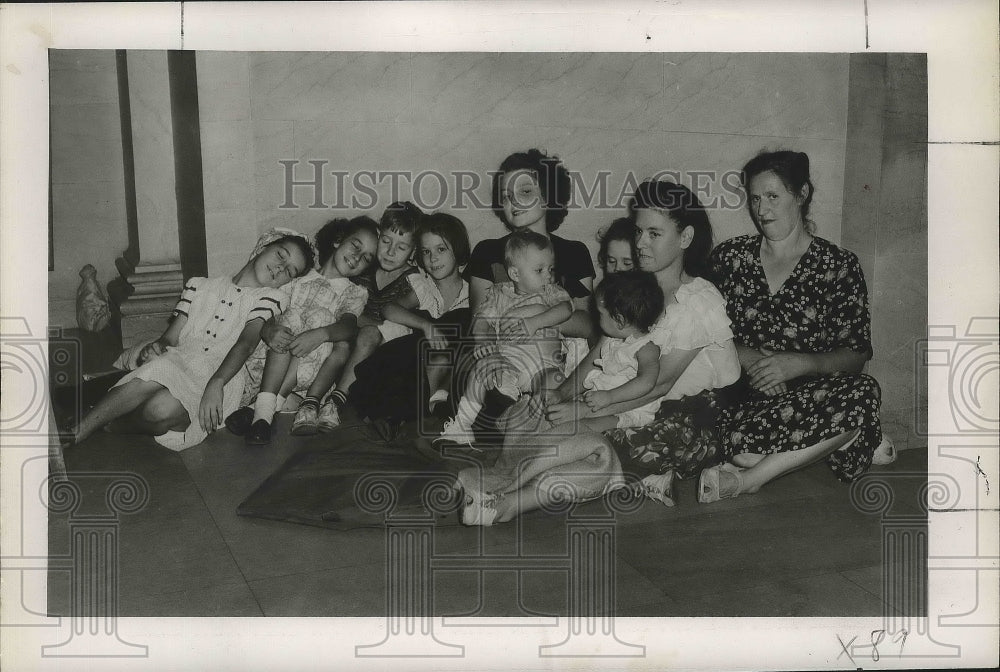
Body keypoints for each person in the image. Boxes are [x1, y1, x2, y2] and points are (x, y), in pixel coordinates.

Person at [457, 180, 741, 525]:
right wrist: (559, 395)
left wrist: (579, 410)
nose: (640, 243)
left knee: (599, 449)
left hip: (690, 411)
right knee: (538, 411)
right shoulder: (635, 285)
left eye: (654, 234)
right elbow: (599, 351)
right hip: (625, 398)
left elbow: (659, 385)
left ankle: (511, 502)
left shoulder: (699, 300)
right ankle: (502, 479)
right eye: (638, 232)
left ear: (685, 238)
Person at [702, 150, 881, 501]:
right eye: (754, 198)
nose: (761, 209)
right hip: (747, 397)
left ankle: (749, 480)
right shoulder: (730, 257)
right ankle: (834, 443)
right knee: (733, 443)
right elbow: (700, 332)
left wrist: (800, 363)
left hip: (815, 397)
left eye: (773, 196)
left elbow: (856, 354)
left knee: (862, 391)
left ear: (801, 195)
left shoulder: (838, 264)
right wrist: (751, 358)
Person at [63, 231, 312, 450]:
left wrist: (216, 384)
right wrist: (158, 346)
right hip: (180, 359)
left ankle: (111, 425)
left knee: (159, 411)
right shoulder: (199, 286)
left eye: (290, 271)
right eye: (281, 256)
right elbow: (170, 337)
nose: (281, 269)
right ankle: (78, 431)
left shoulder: (271, 297)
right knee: (159, 367)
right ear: (264, 246)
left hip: (221, 374)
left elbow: (245, 344)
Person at [226, 216, 378, 443]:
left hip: (309, 370)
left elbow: (347, 326)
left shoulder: (352, 293)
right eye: (355, 246)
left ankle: (262, 412)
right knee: (291, 316)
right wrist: (269, 330)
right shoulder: (297, 275)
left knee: (322, 318)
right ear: (338, 240)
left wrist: (321, 334)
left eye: (367, 258)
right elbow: (267, 308)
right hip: (269, 360)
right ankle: (264, 406)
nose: (357, 258)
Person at [439, 230, 573, 445]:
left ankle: (543, 430)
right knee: (483, 367)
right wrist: (483, 343)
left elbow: (566, 309)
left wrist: (535, 322)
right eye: (540, 270)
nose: (548, 275)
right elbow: (481, 320)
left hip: (545, 366)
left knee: (556, 385)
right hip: (510, 363)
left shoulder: (551, 292)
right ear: (515, 274)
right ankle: (462, 425)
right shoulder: (499, 293)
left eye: (551, 269)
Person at [349, 212, 472, 423]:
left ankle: (417, 409)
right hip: (415, 365)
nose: (433, 258)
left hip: (449, 368)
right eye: (426, 252)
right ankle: (405, 411)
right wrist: (425, 325)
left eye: (441, 249)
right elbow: (389, 309)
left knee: (460, 333)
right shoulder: (424, 287)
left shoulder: (472, 294)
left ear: (457, 249)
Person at [322, 201, 428, 425]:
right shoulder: (364, 267)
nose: (390, 252)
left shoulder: (414, 281)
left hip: (383, 346)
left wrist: (357, 320)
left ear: (413, 251)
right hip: (352, 340)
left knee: (368, 333)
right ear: (378, 236)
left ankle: (336, 401)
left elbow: (389, 320)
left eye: (401, 247)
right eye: (386, 241)